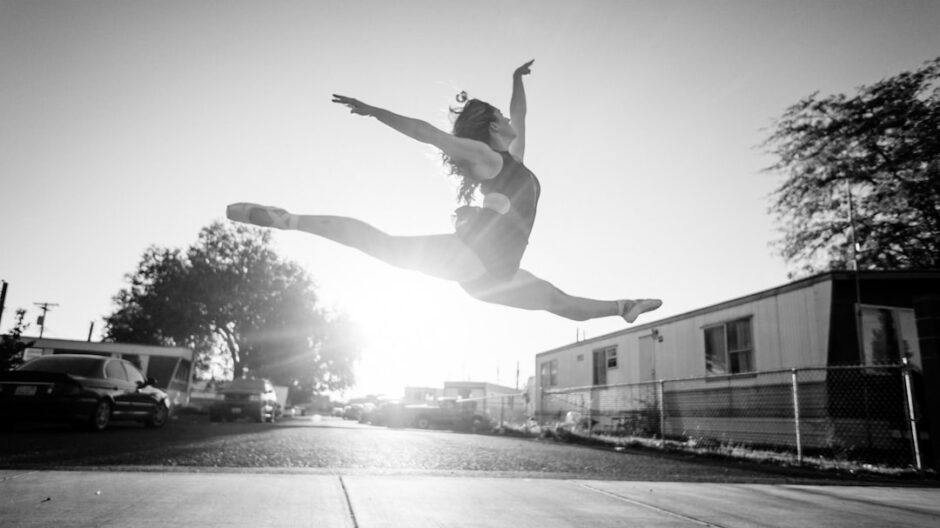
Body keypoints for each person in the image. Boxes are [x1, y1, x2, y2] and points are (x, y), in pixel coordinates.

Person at [227, 60, 661, 323]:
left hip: (498, 273)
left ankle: (624, 306)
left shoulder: (517, 160)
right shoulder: (487, 157)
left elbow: (520, 114)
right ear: (492, 127)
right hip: (478, 258)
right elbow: (428, 133)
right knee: (385, 246)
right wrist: (375, 112)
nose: (511, 123)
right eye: (502, 119)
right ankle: (290, 220)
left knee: (556, 301)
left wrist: (516, 78)